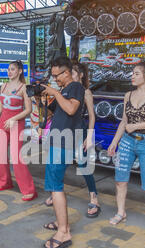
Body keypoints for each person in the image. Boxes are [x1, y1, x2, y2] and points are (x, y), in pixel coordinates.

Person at [107, 58, 145, 240]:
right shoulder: (128, 95)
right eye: (132, 73)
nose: (132, 76)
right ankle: (121, 212)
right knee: (120, 181)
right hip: (127, 141)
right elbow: (124, 122)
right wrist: (114, 142)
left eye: (136, 73)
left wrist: (136, 126)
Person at [43, 62, 101, 218]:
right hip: (63, 133)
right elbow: (51, 111)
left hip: (80, 131)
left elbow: (91, 116)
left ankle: (93, 196)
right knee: (61, 164)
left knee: (83, 164)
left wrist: (89, 137)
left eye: (73, 73)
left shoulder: (84, 91)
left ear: (79, 75)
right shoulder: (65, 90)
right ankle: (56, 193)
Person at [40, 56, 85, 248]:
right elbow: (49, 113)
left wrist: (55, 93)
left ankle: (64, 232)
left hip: (64, 142)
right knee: (53, 184)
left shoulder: (75, 88)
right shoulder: (63, 91)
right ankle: (61, 222)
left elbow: (71, 108)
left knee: (55, 185)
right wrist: (41, 98)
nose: (55, 79)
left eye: (57, 75)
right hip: (58, 141)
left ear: (67, 73)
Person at [0, 61, 37, 201]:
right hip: (3, 123)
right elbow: (1, 106)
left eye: (12, 69)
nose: (9, 71)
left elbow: (28, 110)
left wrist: (13, 119)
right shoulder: (3, 86)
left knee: (16, 156)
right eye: (8, 69)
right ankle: (5, 182)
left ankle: (28, 189)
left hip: (16, 123)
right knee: (0, 153)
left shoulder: (24, 88)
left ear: (20, 71)